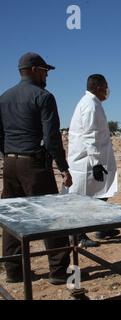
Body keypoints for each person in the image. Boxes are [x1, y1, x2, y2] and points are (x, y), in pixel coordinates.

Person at [0, 52, 73, 284]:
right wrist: (63, 167)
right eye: (44, 71)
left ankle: (14, 270)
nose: (46, 75)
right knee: (51, 216)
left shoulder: (4, 97)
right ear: (33, 70)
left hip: (10, 164)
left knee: (13, 217)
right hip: (34, 165)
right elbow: (51, 138)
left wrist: (8, 156)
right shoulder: (43, 97)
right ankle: (59, 271)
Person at [67, 74, 120, 247]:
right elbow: (90, 134)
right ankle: (78, 235)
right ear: (98, 88)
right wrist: (96, 163)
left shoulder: (93, 103)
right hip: (87, 161)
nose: (107, 90)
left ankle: (102, 227)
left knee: (102, 193)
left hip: (95, 158)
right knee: (85, 199)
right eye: (106, 87)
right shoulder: (90, 105)